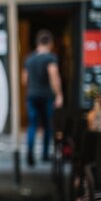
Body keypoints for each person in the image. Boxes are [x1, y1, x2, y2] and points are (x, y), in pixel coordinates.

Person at [22, 29, 63, 166]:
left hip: (32, 95)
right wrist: (59, 94)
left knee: (32, 125)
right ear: (49, 43)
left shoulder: (29, 58)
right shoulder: (50, 58)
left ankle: (30, 154)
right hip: (46, 96)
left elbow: (24, 79)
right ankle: (45, 154)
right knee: (47, 126)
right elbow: (54, 77)